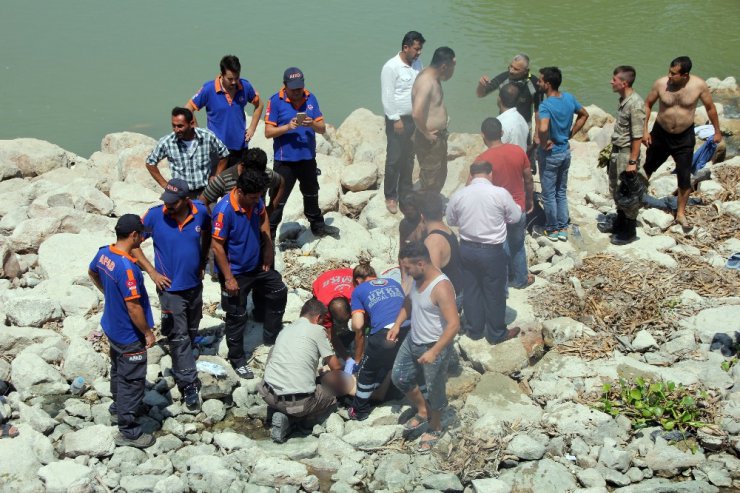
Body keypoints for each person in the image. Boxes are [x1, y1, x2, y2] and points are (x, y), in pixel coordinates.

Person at [133, 178, 210, 410]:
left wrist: (203, 260)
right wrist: (152, 272)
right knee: (180, 336)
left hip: (194, 284)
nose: (168, 206)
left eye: (173, 203)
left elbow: (207, 233)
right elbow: (133, 243)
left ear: (186, 200)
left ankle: (176, 335)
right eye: (166, 201)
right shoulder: (155, 216)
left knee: (193, 325)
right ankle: (187, 382)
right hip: (170, 289)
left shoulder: (201, 212)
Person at [211, 169, 288, 379]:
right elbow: (217, 246)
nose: (256, 202)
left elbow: (263, 217)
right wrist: (228, 278)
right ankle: (237, 359)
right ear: (241, 191)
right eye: (253, 198)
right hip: (235, 272)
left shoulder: (255, 201)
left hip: (256, 266)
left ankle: (271, 336)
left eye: (258, 197)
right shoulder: (223, 210)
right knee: (236, 316)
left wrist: (268, 248)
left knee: (279, 289)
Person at [88, 215, 156, 448]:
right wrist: (147, 332)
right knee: (132, 380)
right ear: (134, 236)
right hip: (129, 334)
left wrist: (108, 293)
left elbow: (92, 272)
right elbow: (134, 307)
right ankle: (129, 431)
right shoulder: (128, 269)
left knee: (118, 369)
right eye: (142, 235)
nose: (143, 238)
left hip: (111, 327)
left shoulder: (104, 253)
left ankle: (118, 407)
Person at [388, 242, 460, 454]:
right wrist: (397, 323)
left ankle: (435, 426)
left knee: (436, 391)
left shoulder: (441, 287)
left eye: (407, 268)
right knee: (399, 377)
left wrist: (434, 351)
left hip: (434, 345)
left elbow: (454, 324)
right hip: (413, 339)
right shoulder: (415, 278)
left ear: (421, 263)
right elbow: (408, 303)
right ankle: (422, 410)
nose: (405, 273)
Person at [643, 56, 722, 230]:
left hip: (684, 137)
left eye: (673, 74)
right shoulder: (660, 84)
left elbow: (710, 108)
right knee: (648, 167)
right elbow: (647, 104)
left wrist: (717, 131)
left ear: (685, 75)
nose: (669, 76)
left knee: (685, 177)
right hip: (660, 134)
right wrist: (644, 131)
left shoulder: (699, 86)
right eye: (669, 72)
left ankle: (680, 213)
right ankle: (637, 197)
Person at [447, 162, 522, 344]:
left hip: (466, 248)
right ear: (490, 173)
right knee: (495, 291)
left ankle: (475, 330)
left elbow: (451, 219)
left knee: (471, 290)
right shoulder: (500, 193)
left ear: (471, 175)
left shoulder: (459, 195)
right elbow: (515, 217)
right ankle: (496, 333)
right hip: (492, 250)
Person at [259, 298, 348, 443]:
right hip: (297, 404)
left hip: (268, 394)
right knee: (332, 394)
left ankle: (282, 414)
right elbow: (336, 367)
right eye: (322, 321)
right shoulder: (317, 330)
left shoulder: (285, 330)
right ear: (318, 318)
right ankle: (302, 422)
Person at [265, 67, 339, 238]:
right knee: (278, 199)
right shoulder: (275, 101)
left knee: (311, 193)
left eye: (300, 87)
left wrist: (311, 123)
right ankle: (269, 231)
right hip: (285, 161)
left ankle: (317, 226)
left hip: (307, 159)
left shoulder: (311, 98)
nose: (298, 92)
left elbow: (321, 128)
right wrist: (287, 127)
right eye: (294, 89)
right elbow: (268, 132)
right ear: (285, 86)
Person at [474, 118, 535, 288]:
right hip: (517, 206)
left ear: (482, 135)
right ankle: (521, 279)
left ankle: (504, 278)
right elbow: (528, 178)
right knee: (517, 244)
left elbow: (472, 188)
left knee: (500, 245)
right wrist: (529, 198)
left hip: (496, 210)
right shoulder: (518, 151)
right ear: (501, 133)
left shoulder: (481, 160)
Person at [348, 262, 407, 421]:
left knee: (366, 371)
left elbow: (358, 325)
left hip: (386, 333)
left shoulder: (359, 290)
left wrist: (352, 322)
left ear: (358, 280)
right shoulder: (393, 283)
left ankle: (359, 411)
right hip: (410, 328)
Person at [536, 67, 589, 241]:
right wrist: (571, 133)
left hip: (551, 155)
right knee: (561, 190)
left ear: (548, 84)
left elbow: (543, 127)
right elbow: (584, 114)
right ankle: (563, 226)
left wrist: (543, 143)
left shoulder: (545, 105)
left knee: (549, 193)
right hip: (565, 151)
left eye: (540, 80)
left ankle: (552, 229)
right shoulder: (568, 98)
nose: (538, 83)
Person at [186, 55, 264, 168]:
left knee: (239, 184)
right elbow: (188, 109)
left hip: (240, 147)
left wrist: (252, 128)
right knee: (217, 184)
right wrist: (198, 133)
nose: (234, 82)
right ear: (221, 75)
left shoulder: (245, 86)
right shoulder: (209, 89)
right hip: (216, 150)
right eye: (230, 79)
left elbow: (259, 105)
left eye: (236, 78)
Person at [381, 30, 425, 214]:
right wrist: (395, 119)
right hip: (397, 121)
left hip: (414, 120)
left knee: (409, 158)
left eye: (421, 49)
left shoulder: (417, 64)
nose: (419, 52)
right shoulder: (391, 67)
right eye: (416, 49)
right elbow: (387, 96)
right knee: (394, 159)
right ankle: (390, 196)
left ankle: (405, 192)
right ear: (405, 47)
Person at [602, 66, 647, 245]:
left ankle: (629, 231)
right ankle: (620, 223)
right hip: (618, 152)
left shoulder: (635, 104)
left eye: (614, 79)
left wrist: (632, 162)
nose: (611, 82)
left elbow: (637, 136)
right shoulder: (624, 100)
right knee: (616, 189)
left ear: (624, 82)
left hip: (627, 153)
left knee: (627, 193)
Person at [146, 107, 230, 198]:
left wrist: (216, 176)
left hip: (205, 192)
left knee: (208, 212)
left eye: (180, 126)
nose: (176, 130)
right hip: (181, 194)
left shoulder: (207, 136)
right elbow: (150, 163)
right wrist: (166, 185)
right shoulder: (167, 142)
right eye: (174, 126)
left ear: (191, 124)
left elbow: (224, 154)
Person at [412, 47, 456, 194]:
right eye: (452, 67)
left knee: (440, 175)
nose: (453, 72)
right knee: (430, 180)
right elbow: (417, 113)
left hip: (439, 137)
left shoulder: (434, 76)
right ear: (444, 67)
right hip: (430, 140)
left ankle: (432, 207)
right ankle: (423, 213)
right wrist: (427, 134)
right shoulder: (426, 81)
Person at [199, 147, 285, 217]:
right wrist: (212, 222)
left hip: (258, 224)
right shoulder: (224, 179)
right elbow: (203, 201)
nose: (257, 177)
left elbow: (281, 183)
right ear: (243, 167)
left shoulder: (265, 173)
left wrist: (270, 208)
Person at [476, 53, 543, 130]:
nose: (511, 71)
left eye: (516, 69)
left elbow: (538, 110)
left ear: (526, 71)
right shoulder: (504, 77)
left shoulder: (535, 83)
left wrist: (537, 133)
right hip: (504, 126)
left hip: (524, 127)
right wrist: (481, 85)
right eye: (511, 66)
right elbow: (480, 94)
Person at [418, 191, 464, 298]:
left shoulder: (433, 241)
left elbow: (431, 280)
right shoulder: (447, 230)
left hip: (449, 299)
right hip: (458, 290)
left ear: (421, 216)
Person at [311, 267, 356, 361]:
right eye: (340, 322)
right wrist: (347, 359)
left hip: (347, 273)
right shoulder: (322, 307)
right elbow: (332, 335)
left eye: (346, 320)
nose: (344, 325)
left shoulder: (355, 296)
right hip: (323, 279)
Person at [497, 84, 530, 152]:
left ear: (499, 99)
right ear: (518, 101)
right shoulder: (522, 120)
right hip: (521, 159)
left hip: (508, 161)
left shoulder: (499, 123)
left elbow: (496, 150)